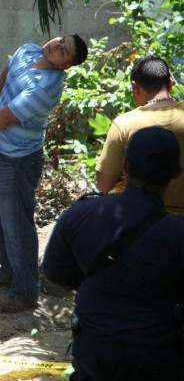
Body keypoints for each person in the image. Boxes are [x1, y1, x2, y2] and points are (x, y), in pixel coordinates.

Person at [42, 126, 184, 380]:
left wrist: (100, 281)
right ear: (177, 174)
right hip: (158, 360)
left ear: (126, 165)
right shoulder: (177, 234)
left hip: (95, 357)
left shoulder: (81, 215)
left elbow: (55, 272)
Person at [0, 35, 88, 313]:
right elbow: (3, 78)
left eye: (63, 50)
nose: (56, 45)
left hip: (20, 159)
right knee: (0, 215)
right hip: (1, 148)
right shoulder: (27, 50)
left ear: (66, 65)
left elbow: (9, 116)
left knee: (17, 225)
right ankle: (7, 273)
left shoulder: (45, 88)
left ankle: (25, 291)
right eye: (61, 39)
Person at [96, 55, 184, 214]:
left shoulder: (124, 124)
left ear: (135, 87)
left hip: (137, 217)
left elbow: (103, 185)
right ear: (170, 83)